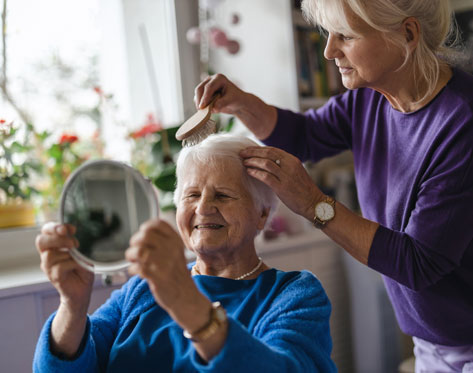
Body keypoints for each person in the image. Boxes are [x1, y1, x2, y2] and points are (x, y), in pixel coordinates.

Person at [194, 0, 473, 371]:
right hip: (432, 343)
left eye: (346, 35)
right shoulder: (368, 97)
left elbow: (418, 263)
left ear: (407, 34)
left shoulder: (462, 125)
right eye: (329, 34)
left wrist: (313, 203)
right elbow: (307, 136)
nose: (329, 51)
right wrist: (243, 104)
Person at [33, 134, 336, 372]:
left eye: (223, 195)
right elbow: (65, 365)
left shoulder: (293, 294)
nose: (203, 208)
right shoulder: (141, 289)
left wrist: (184, 301)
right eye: (191, 195)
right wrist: (72, 305)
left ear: (261, 214)